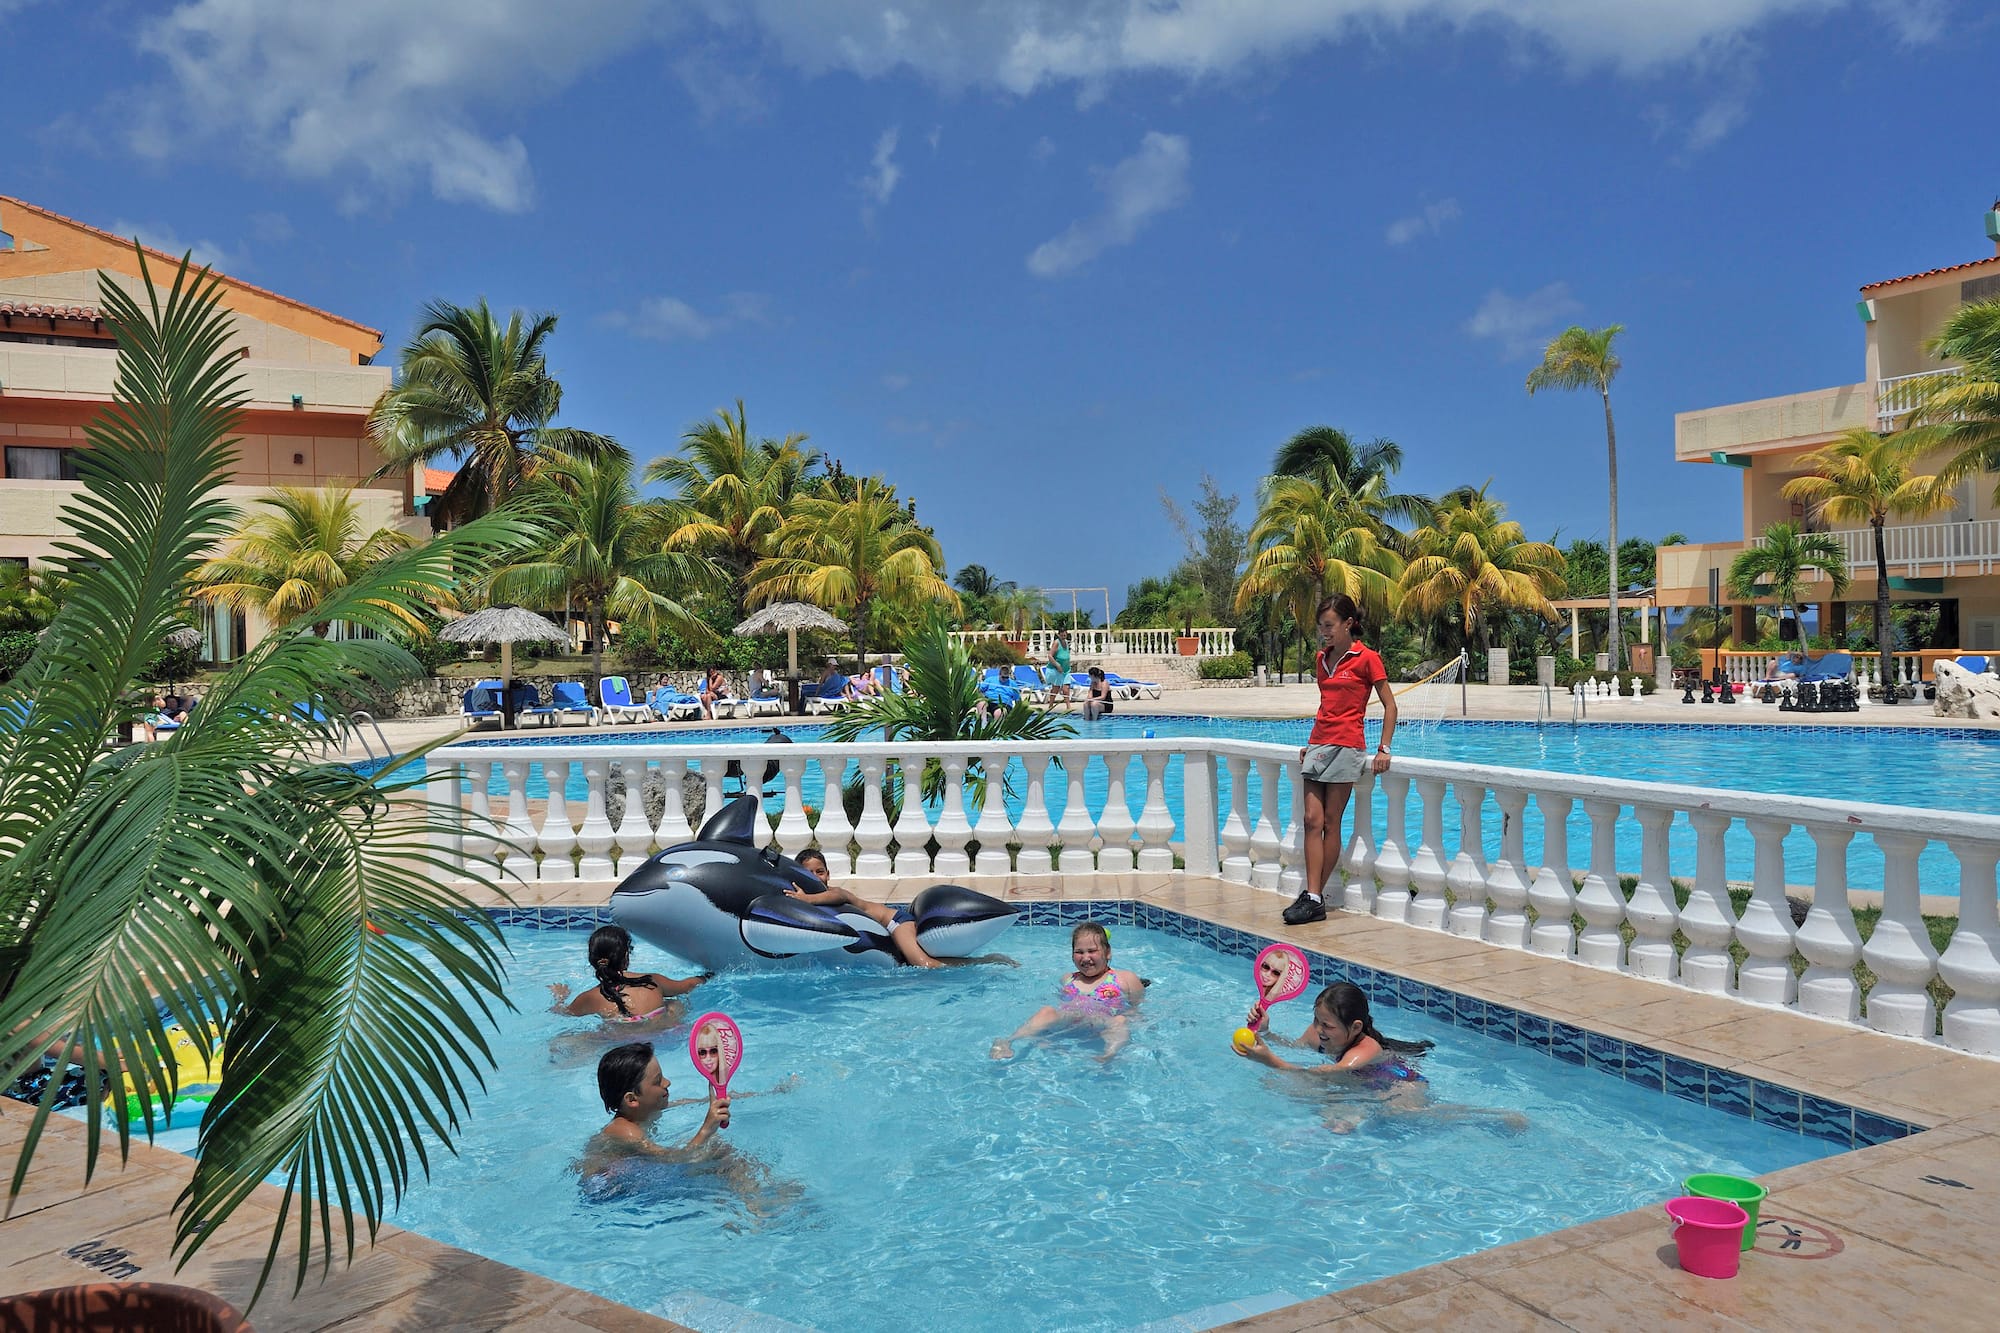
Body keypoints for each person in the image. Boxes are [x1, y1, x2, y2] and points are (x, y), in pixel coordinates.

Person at [1235, 982, 1525, 1134]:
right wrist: (1269, 1033)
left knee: (1405, 1116)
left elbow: (1322, 1074)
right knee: (1324, 1107)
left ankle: (1491, 1118)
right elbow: (1297, 1049)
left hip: (1397, 1085)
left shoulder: (1366, 1049)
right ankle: (1346, 1123)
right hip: (1357, 1085)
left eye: (1327, 1025)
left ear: (1356, 1028)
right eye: (1316, 1021)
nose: (1319, 1031)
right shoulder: (1318, 1033)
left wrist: (1269, 1061)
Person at [1283, 593, 1398, 926]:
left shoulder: (1367, 659)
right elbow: (1326, 707)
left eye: (1329, 625)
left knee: (1331, 823)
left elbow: (1390, 705)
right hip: (1319, 743)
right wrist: (1311, 744)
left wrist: (1383, 748)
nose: (1324, 632)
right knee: (1310, 820)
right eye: (1321, 626)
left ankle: (1314, 897)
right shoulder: (1322, 659)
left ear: (1348, 624)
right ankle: (1312, 896)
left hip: (1348, 747)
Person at [990, 921, 1145, 1062]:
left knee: (1120, 1021)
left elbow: (1136, 1010)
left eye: (1092, 950)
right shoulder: (1068, 979)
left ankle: (1108, 1055)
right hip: (1070, 1022)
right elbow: (1059, 1003)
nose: (1085, 957)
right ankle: (1008, 1041)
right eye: (1079, 952)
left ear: (1108, 953)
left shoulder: (1124, 978)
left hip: (1103, 1023)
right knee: (1047, 1011)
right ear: (1072, 955)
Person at [549, 925, 709, 1027]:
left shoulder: (590, 997)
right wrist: (708, 975)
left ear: (594, 960)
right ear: (626, 956)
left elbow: (562, 1013)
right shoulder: (652, 981)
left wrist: (560, 997)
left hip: (619, 1042)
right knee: (675, 1004)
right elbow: (687, 986)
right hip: (663, 1033)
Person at [1049, 632, 1074, 704]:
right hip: (1057, 669)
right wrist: (1057, 665)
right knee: (1055, 689)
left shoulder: (1066, 642)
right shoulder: (1056, 643)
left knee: (1066, 689)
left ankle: (1068, 706)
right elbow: (1050, 655)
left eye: (1065, 635)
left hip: (1066, 669)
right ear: (1059, 635)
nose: (1064, 636)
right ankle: (1050, 705)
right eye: (1062, 635)